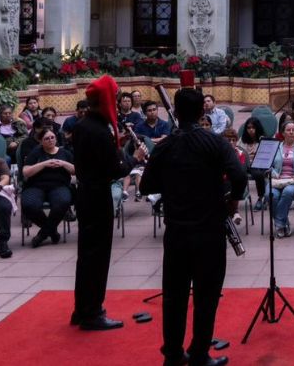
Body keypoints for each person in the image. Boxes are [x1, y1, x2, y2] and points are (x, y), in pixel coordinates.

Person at [141, 87, 246, 366]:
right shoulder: (215, 143)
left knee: (174, 297)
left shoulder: (165, 146)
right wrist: (232, 202)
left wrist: (173, 183)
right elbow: (239, 176)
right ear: (202, 112)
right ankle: (199, 353)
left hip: (177, 230)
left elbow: (146, 185)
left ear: (174, 112)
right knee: (206, 296)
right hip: (210, 229)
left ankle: (173, 355)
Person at [70, 75, 144, 331]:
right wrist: (135, 157)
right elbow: (116, 169)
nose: (117, 101)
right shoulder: (99, 130)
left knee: (86, 255)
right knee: (98, 256)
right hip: (98, 195)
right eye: (114, 97)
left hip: (85, 194)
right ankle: (92, 312)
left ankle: (81, 308)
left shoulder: (83, 125)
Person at [21, 128, 75, 248]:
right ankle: (52, 232)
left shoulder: (65, 153)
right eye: (46, 138)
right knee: (29, 205)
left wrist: (63, 163)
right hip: (36, 186)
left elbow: (75, 171)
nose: (50, 140)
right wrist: (44, 164)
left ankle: (43, 234)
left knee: (62, 202)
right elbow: (26, 172)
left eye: (52, 137)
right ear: (41, 141)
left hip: (59, 185)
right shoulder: (35, 153)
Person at [268, 120, 294, 238]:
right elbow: (269, 165)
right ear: (283, 133)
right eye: (288, 130)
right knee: (271, 195)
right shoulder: (275, 147)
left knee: (288, 191)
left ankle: (279, 224)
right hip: (277, 181)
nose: (291, 132)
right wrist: (274, 173)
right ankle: (284, 223)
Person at [239, 117, 268, 208]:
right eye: (248, 128)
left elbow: (266, 155)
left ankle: (261, 198)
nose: (251, 130)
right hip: (245, 164)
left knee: (259, 174)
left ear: (257, 128)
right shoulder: (242, 139)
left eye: (253, 127)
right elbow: (239, 152)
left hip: (259, 164)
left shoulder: (263, 139)